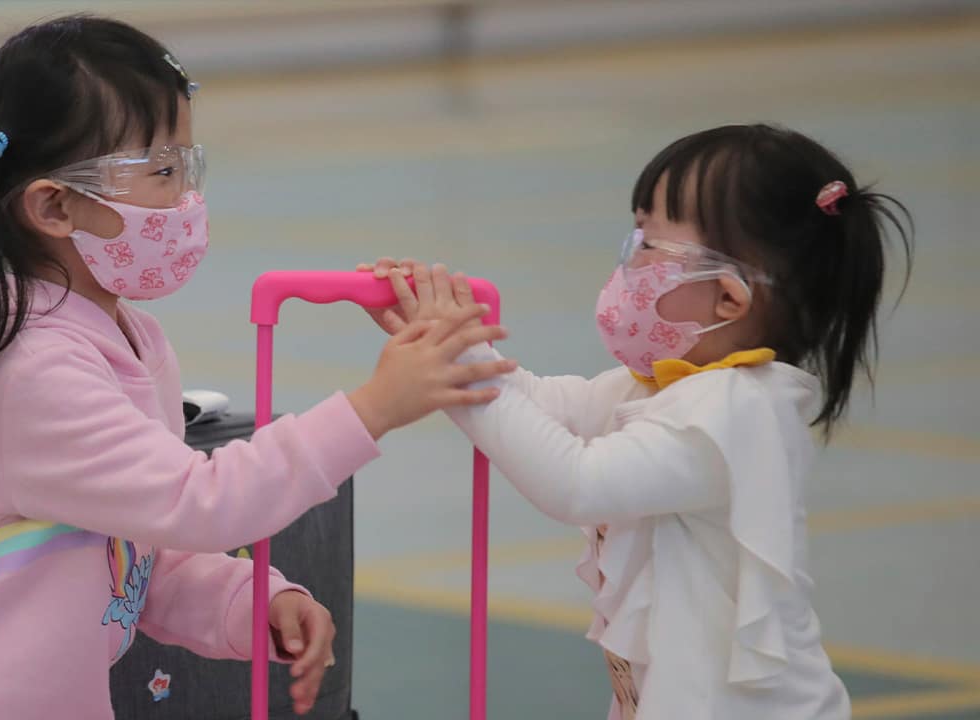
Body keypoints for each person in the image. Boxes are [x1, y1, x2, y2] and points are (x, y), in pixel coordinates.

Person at [0, 16, 514, 720]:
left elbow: (135, 545)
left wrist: (253, 601)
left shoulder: (131, 338)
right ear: (54, 205)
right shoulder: (32, 369)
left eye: (188, 165)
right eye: (159, 172)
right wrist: (375, 407)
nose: (185, 198)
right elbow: (197, 503)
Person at [362, 124, 913, 719]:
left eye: (650, 246)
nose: (629, 262)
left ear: (729, 298)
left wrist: (459, 358)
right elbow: (546, 404)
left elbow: (578, 482)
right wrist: (443, 343)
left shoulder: (737, 411)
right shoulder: (674, 384)